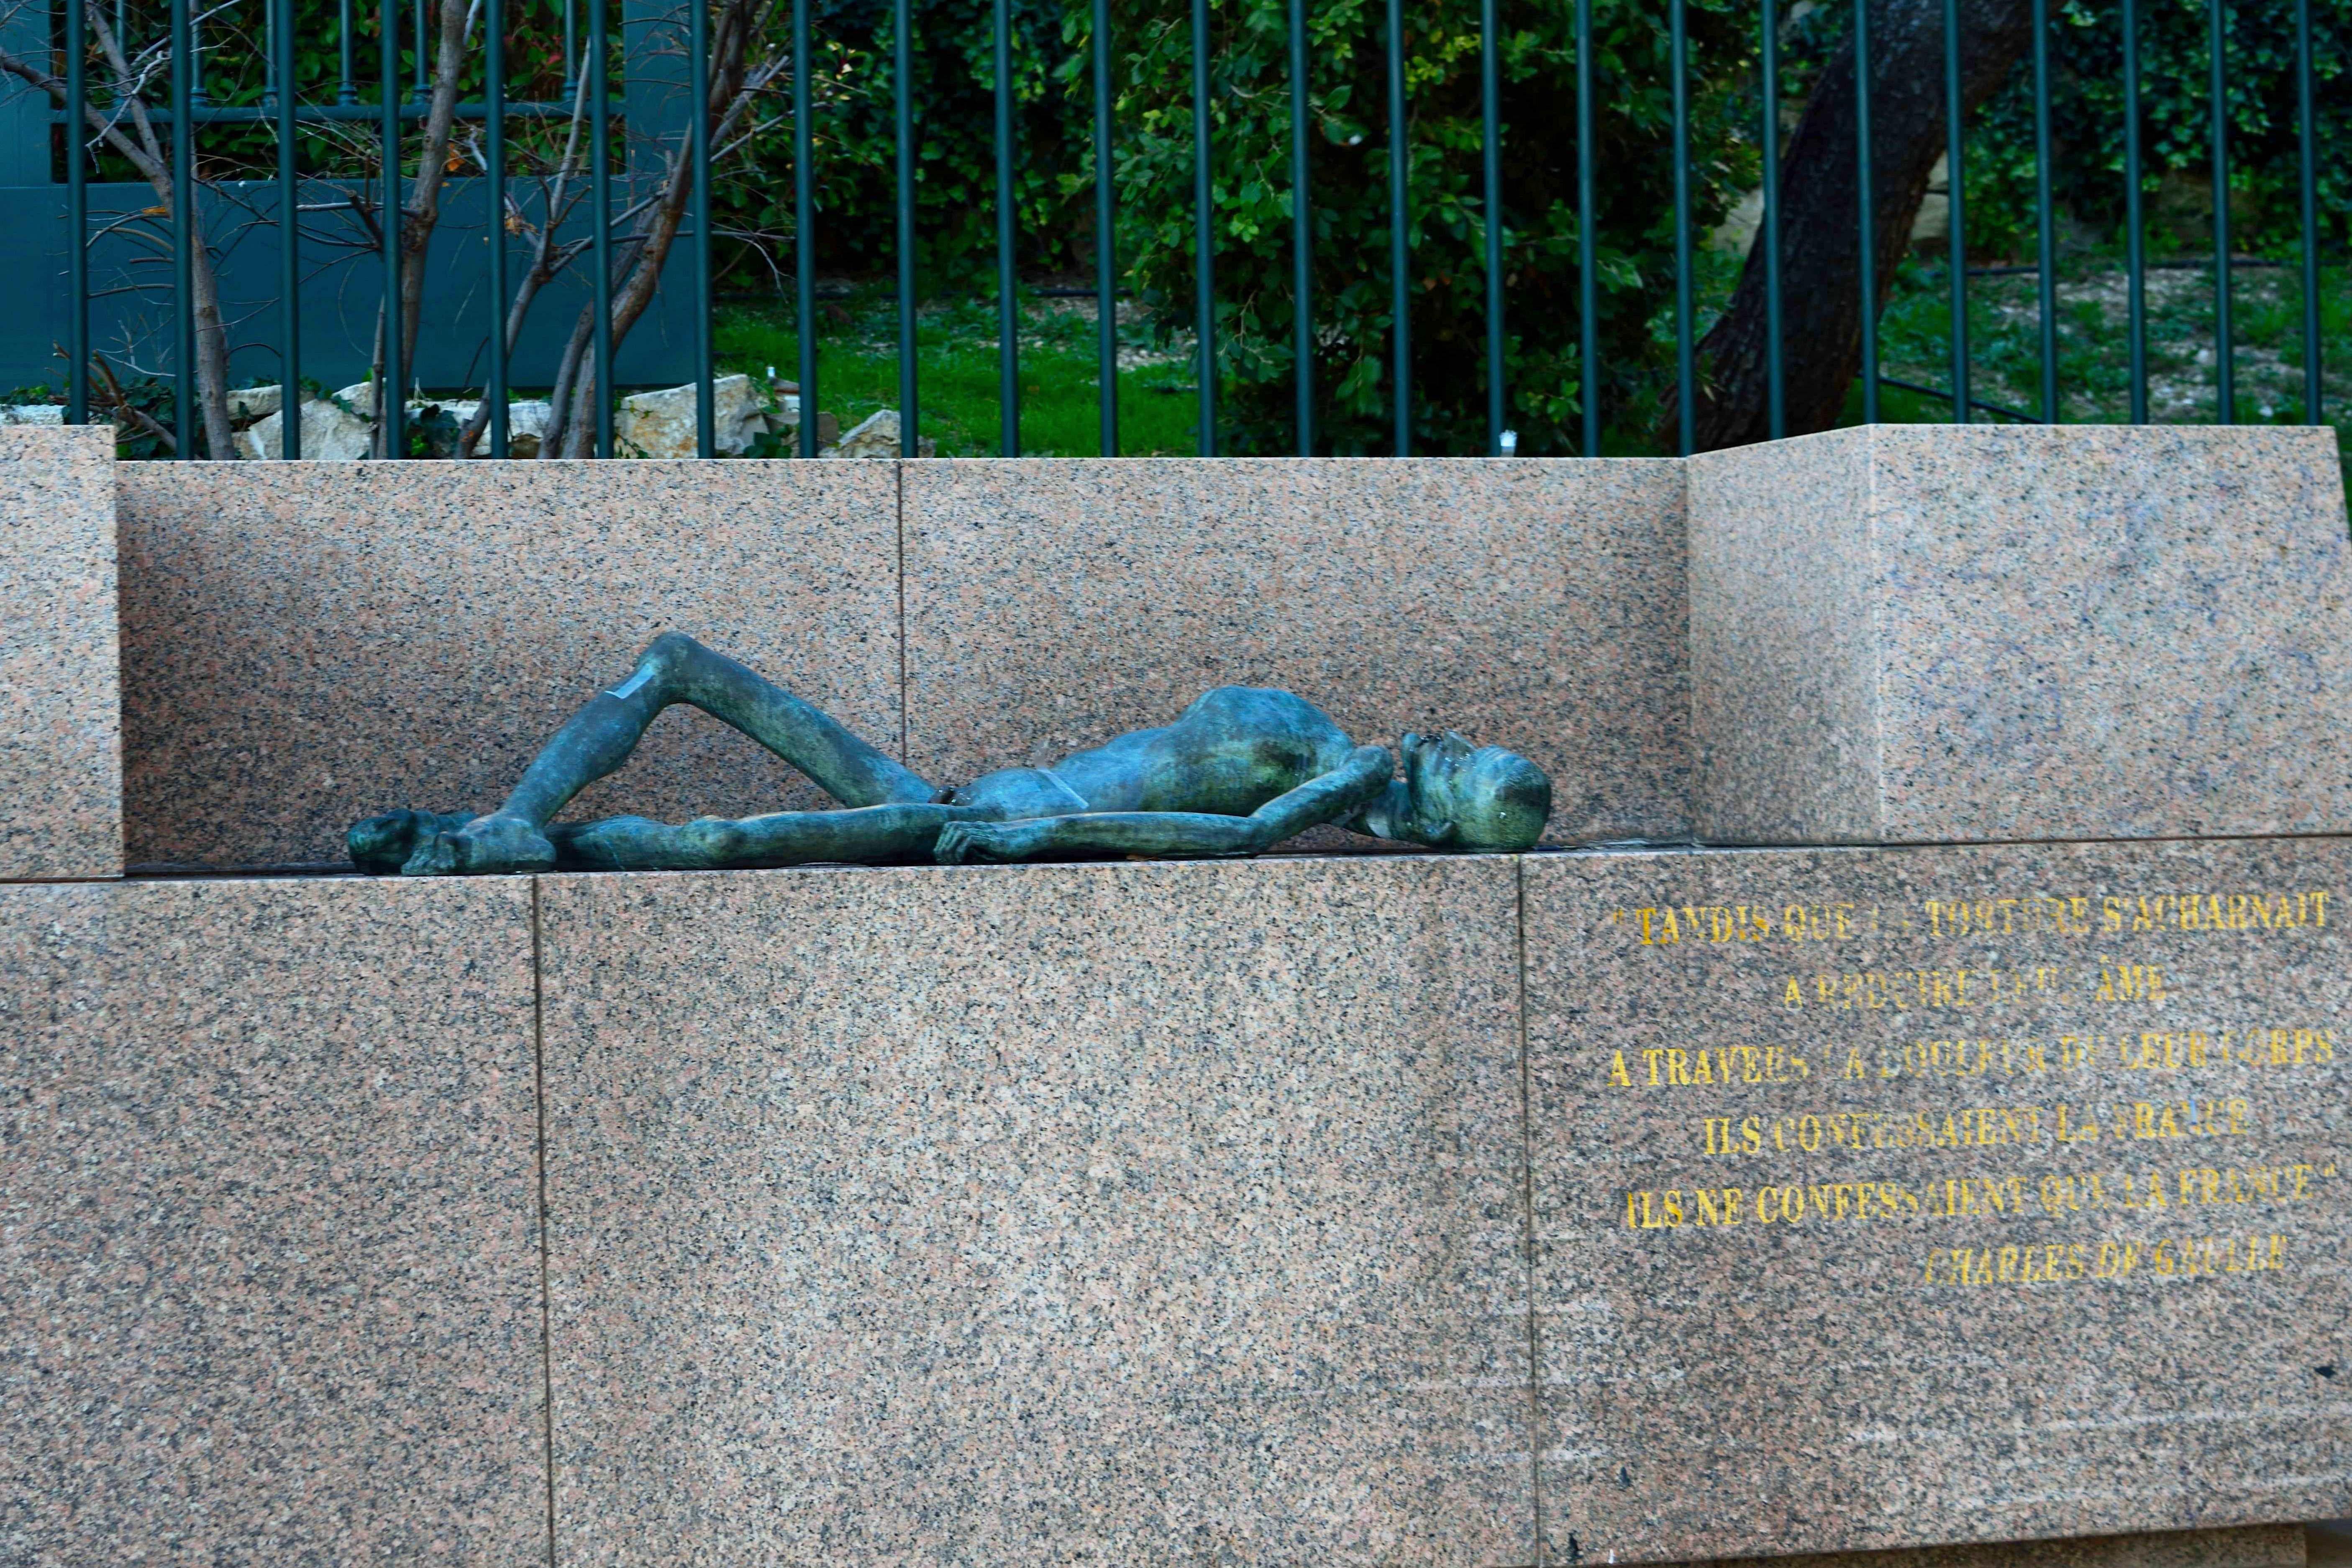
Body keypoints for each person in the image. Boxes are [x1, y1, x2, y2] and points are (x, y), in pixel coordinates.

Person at [350, 632, 1552, 875]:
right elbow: (1230, 821)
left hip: (967, 835)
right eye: (1466, 753)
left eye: (1459, 777)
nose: (1442, 754)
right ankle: (502, 822)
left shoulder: (1328, 778)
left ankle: (486, 853)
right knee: (675, 662)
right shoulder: (1312, 742)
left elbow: (1229, 840)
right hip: (963, 804)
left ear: (1439, 824)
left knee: (720, 838)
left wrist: (1037, 833)